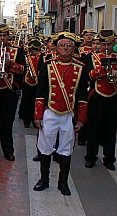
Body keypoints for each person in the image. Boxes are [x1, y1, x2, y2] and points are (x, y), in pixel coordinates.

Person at [33, 32, 88, 196]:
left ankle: (63, 182)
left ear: (74, 49)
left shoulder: (80, 68)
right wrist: (38, 115)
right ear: (56, 48)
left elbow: (82, 96)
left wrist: (81, 119)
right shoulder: (48, 66)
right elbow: (40, 92)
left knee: (66, 149)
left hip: (68, 115)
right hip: (50, 112)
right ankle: (44, 179)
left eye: (69, 45)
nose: (65, 48)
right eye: (62, 45)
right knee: (45, 148)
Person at [84, 30, 117, 170]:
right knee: (93, 128)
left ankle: (109, 159)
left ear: (113, 44)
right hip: (96, 97)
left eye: (108, 44)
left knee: (110, 130)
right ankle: (91, 157)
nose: (105, 47)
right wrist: (102, 70)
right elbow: (88, 76)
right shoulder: (91, 58)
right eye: (103, 44)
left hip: (114, 97)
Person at [0, 24, 25, 161]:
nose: (2, 38)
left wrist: (10, 64)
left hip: (9, 90)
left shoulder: (16, 51)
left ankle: (8, 150)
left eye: (4, 35)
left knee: (7, 122)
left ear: (8, 36)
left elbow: (22, 70)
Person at [19, 38, 43, 128]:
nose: (34, 51)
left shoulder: (41, 57)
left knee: (35, 102)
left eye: (36, 49)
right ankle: (26, 120)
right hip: (27, 81)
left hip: (37, 82)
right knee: (26, 102)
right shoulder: (26, 57)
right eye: (33, 49)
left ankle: (34, 119)